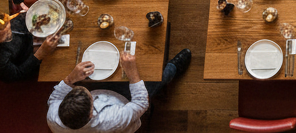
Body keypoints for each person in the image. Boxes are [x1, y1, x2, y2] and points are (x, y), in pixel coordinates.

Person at [46, 47, 191, 132]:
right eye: (90, 97)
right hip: (123, 102)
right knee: (154, 81)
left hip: (104, 93)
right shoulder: (111, 120)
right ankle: (174, 67)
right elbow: (141, 104)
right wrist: (132, 72)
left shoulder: (53, 115)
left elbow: (54, 99)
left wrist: (71, 79)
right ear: (91, 114)